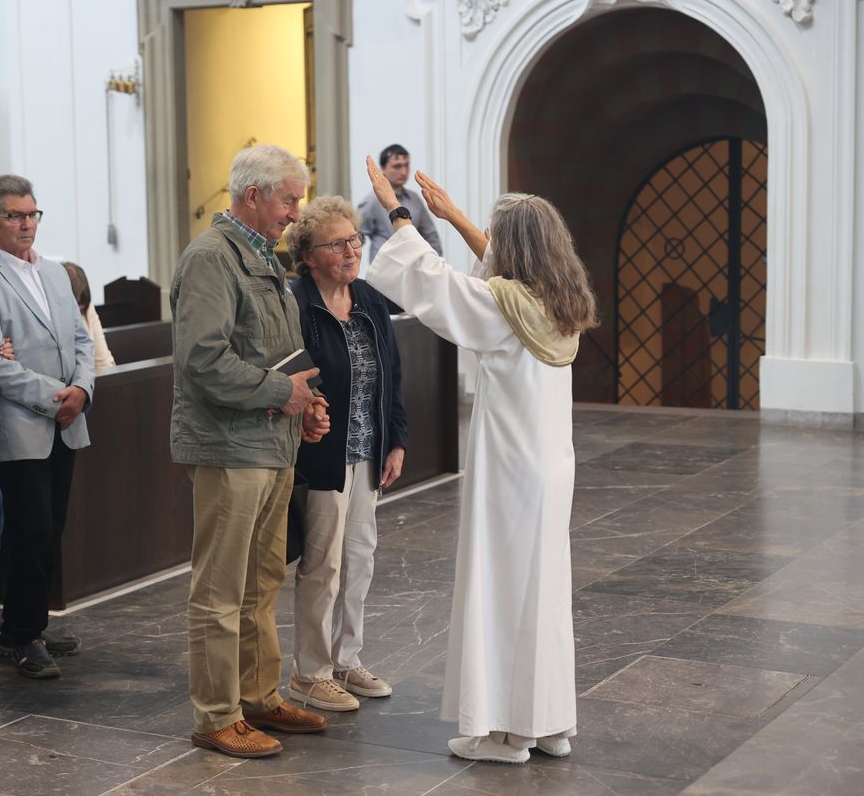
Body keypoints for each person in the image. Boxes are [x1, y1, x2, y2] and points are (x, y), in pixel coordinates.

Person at [364, 157, 598, 764]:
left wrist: (397, 209)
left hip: (511, 473)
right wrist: (457, 217)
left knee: (502, 588)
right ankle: (548, 723)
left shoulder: (503, 307)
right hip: (551, 469)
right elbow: (493, 267)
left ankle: (501, 732)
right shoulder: (558, 300)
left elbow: (432, 281)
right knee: (543, 592)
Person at [170, 144, 331, 759]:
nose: (296, 212)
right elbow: (203, 359)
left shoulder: (264, 258)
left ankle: (259, 696)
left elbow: (283, 351)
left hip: (271, 441)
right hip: (229, 445)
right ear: (254, 195)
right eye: (289, 199)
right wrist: (278, 392)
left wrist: (306, 402)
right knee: (219, 588)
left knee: (261, 582)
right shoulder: (213, 259)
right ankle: (215, 714)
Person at [0, 175, 94, 679]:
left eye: (32, 214)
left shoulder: (56, 272)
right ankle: (18, 638)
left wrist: (82, 389)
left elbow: (81, 338)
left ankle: (31, 624)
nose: (26, 224)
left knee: (51, 527)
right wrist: (53, 398)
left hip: (66, 418)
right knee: (29, 531)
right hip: (21, 422)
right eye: (14, 215)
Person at [283, 195, 409, 712]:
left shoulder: (371, 300)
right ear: (308, 256)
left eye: (354, 239)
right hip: (321, 454)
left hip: (367, 450)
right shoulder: (296, 303)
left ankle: (346, 660)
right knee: (323, 565)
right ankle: (309, 673)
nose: (351, 250)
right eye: (336, 244)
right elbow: (289, 371)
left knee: (359, 560)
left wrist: (396, 438)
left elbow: (393, 377)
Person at [357, 144, 442, 263]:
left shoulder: (415, 198)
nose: (403, 171)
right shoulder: (372, 201)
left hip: (412, 269)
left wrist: (436, 263)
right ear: (383, 168)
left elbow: (430, 235)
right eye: (397, 166)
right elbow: (355, 234)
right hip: (384, 271)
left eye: (406, 165)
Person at [60, 263, 116, 373]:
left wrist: (111, 380)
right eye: (76, 310)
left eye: (81, 310)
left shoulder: (88, 309)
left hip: (91, 382)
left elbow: (103, 359)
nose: (79, 315)